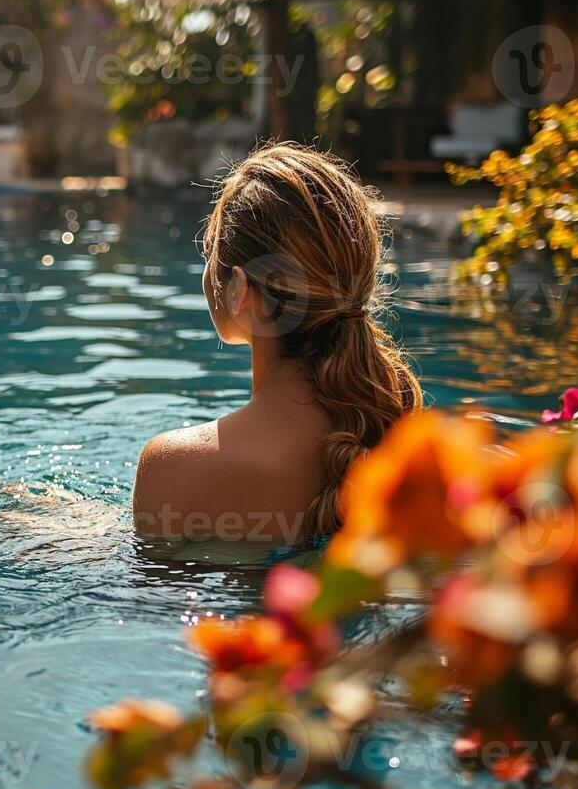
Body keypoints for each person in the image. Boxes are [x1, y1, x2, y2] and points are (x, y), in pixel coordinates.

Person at [133, 144, 421, 544]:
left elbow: (152, 597)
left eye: (209, 254)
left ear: (239, 291)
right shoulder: (409, 443)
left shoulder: (174, 468)